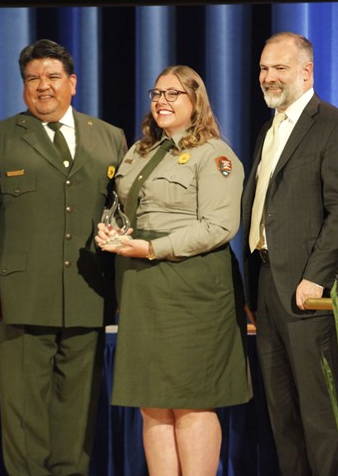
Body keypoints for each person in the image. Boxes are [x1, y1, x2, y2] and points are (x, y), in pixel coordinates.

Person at [0, 39, 127, 476]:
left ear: (72, 84)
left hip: (87, 296)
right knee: (24, 419)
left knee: (77, 416)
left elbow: (121, 216)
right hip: (19, 299)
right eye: (32, 79)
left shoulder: (109, 137)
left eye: (52, 77)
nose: (42, 87)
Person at [95, 65, 251, 476]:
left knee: (191, 399)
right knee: (152, 401)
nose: (161, 101)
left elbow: (219, 227)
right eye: (157, 93)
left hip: (192, 287)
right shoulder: (140, 150)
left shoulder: (215, 154)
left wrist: (151, 247)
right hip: (143, 285)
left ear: (195, 102)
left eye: (173, 94)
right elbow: (126, 206)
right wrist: (112, 231)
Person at [242, 32, 338, 476]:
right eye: (263, 68)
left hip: (308, 293)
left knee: (320, 415)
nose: (268, 77)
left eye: (279, 68)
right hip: (269, 286)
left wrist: (316, 278)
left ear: (306, 71)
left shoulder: (335, 125)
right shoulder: (269, 129)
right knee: (283, 416)